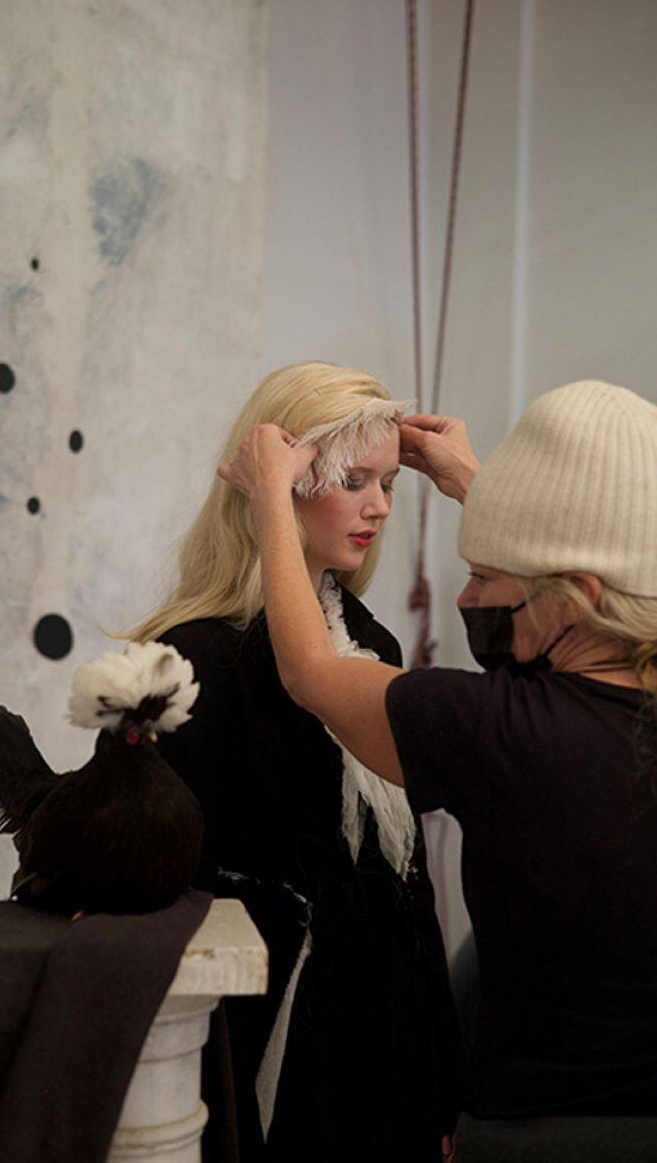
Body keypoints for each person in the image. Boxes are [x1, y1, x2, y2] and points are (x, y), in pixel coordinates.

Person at [218, 377, 657, 1162]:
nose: (465, 597)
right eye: (355, 481)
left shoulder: (502, 729)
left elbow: (310, 671)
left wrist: (270, 502)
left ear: (576, 599)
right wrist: (481, 488)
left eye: (487, 578)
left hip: (540, 1132)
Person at [125, 361, 462, 1162]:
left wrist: (441, 1076)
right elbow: (161, 876)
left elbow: (407, 881)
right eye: (353, 480)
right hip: (270, 1035)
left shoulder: (370, 645)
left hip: (382, 1031)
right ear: (281, 484)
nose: (380, 507)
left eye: (389, 483)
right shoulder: (194, 656)